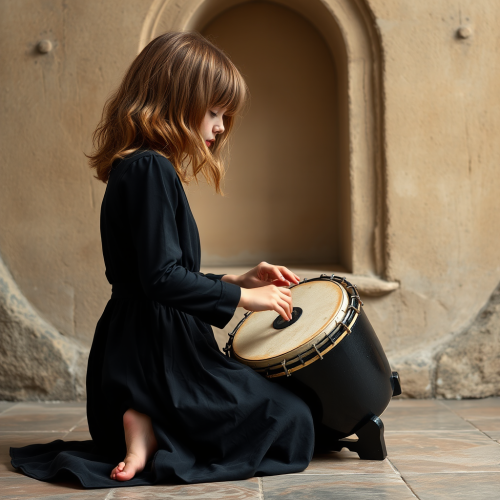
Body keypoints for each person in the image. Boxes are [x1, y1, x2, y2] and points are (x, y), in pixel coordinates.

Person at [9, 31, 315, 488]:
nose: (219, 127)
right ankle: (148, 416)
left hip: (137, 345)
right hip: (157, 353)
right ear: (175, 98)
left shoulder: (140, 167)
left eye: (224, 116)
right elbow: (161, 279)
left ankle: (142, 422)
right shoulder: (150, 168)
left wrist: (240, 279)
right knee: (295, 419)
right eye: (213, 112)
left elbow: (159, 273)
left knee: (277, 409)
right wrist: (244, 300)